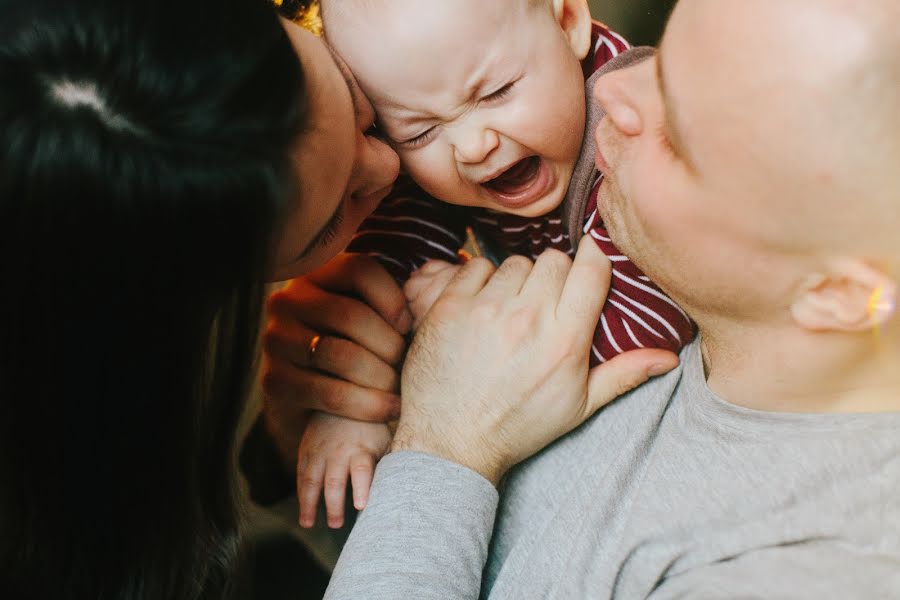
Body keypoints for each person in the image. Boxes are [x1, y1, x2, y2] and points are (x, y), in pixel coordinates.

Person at [0, 0, 664, 597]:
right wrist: (429, 437)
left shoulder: (636, 126)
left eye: (358, 105)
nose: (391, 169)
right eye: (330, 220)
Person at [265, 0, 899, 596]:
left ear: (839, 293)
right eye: (669, 46)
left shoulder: (783, 566)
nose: (611, 82)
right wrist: (345, 408)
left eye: (677, 131)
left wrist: (441, 438)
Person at [290, 0, 695, 530]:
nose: (472, 145)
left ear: (568, 22)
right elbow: (381, 266)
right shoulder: (437, 152)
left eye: (495, 93)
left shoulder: (634, 128)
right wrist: (350, 405)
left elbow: (651, 322)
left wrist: (457, 317)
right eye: (419, 133)